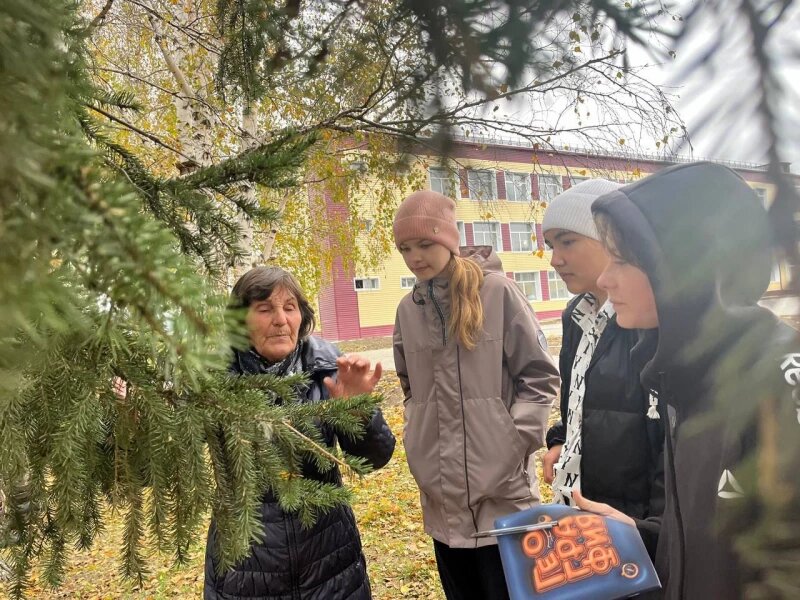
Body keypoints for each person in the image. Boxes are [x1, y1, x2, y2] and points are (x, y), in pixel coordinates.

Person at [574, 162, 799, 598]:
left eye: (621, 260)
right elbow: (714, 545)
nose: (604, 279)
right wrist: (640, 535)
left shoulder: (776, 384)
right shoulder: (688, 377)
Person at [392, 190, 560, 600]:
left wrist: (513, 443)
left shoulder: (497, 292)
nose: (416, 257)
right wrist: (419, 444)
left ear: (449, 240)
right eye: (405, 248)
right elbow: (410, 387)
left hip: (502, 500)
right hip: (442, 501)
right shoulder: (407, 310)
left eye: (425, 244)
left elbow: (539, 376)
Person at [204, 266, 396, 600]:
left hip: (330, 563)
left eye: (289, 307)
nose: (280, 319)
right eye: (264, 309)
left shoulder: (328, 367)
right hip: (248, 569)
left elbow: (374, 458)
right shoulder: (214, 381)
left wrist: (358, 411)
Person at [540, 179, 665, 560]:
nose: (555, 259)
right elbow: (581, 395)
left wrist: (652, 532)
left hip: (631, 529)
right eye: (551, 246)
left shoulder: (647, 321)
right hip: (579, 515)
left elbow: (666, 441)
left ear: (611, 241)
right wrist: (560, 437)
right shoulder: (575, 315)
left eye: (568, 241)